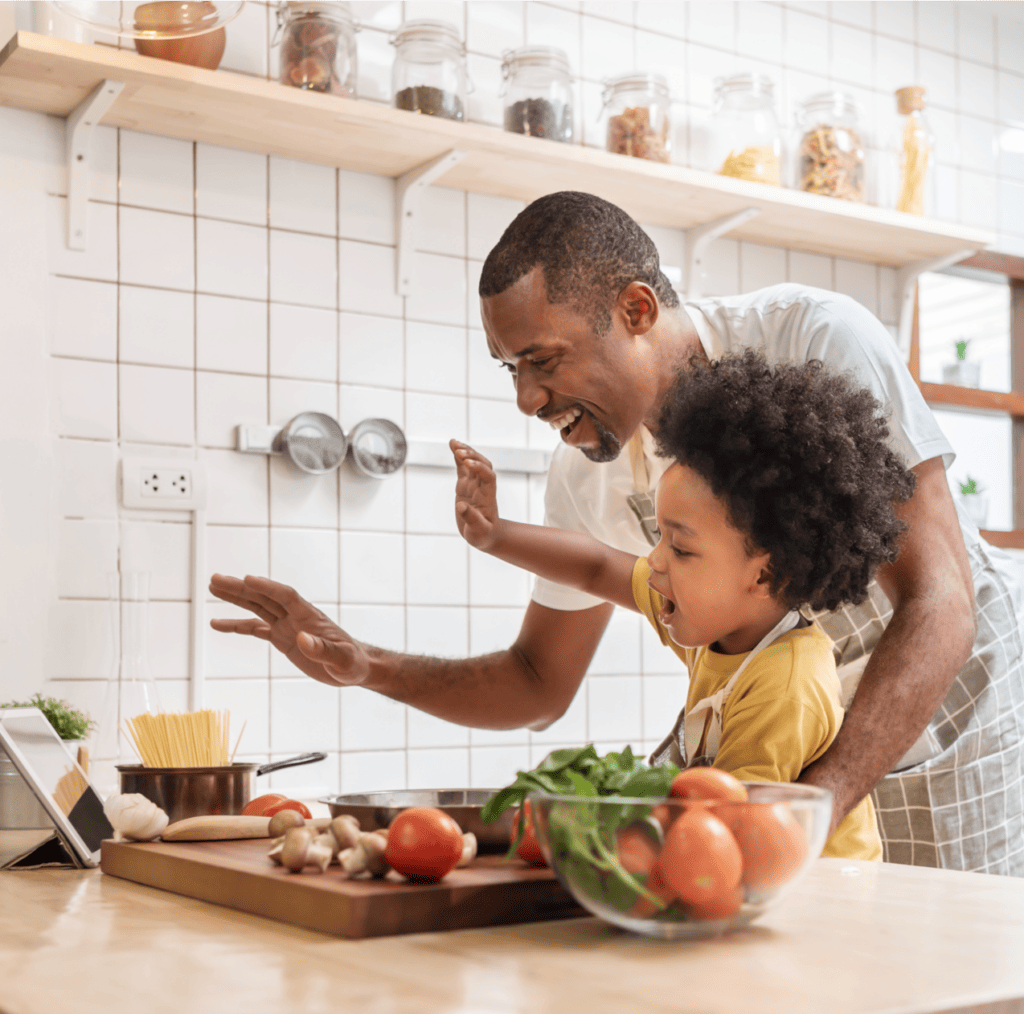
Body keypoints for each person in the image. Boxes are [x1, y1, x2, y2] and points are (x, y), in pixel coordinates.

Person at [210, 191, 1024, 876]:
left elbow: (939, 601)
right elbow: (538, 680)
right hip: (787, 767)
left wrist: (819, 797)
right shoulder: (588, 468)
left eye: (543, 359)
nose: (527, 399)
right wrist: (365, 666)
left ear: (635, 309)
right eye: (511, 369)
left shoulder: (814, 340)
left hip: (948, 718)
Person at [452, 349, 919, 860]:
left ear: (762, 573)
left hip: (824, 902)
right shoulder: (721, 622)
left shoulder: (786, 684)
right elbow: (596, 567)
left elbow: (731, 836)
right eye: (659, 536)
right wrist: (496, 535)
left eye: (680, 547)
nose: (653, 560)